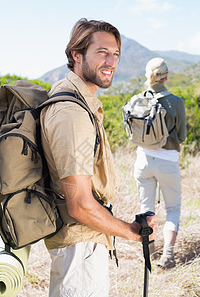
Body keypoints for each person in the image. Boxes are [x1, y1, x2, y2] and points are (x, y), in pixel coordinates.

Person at [40, 18, 157, 297]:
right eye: (102, 52)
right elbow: (79, 205)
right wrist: (131, 232)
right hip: (80, 249)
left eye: (115, 53)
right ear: (76, 55)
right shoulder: (72, 113)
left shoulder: (77, 104)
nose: (111, 61)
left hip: (83, 245)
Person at [133, 57, 187, 269]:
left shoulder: (137, 99)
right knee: (173, 208)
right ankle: (168, 256)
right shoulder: (176, 102)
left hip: (143, 160)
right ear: (166, 77)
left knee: (147, 209)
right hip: (167, 162)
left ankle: (150, 252)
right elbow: (181, 136)